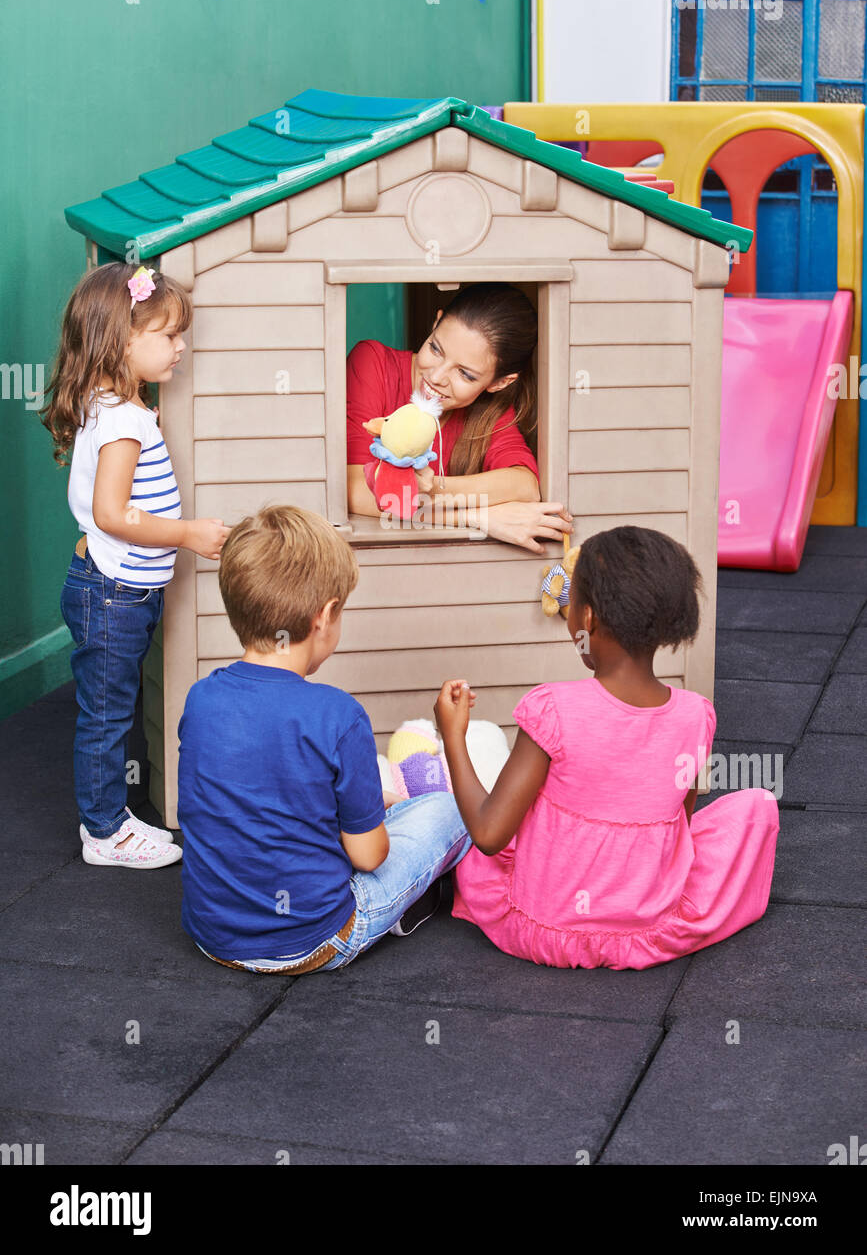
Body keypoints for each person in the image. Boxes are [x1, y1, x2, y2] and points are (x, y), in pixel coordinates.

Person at [434, 526, 780, 970]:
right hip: (646, 934)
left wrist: (453, 738)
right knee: (756, 807)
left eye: (571, 602)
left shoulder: (552, 708)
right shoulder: (697, 715)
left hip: (544, 928)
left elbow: (487, 833)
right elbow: (681, 822)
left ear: (589, 620)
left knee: (462, 824)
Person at [177, 504, 471, 975]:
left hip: (212, 937)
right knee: (449, 810)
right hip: (316, 939)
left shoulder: (201, 699)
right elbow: (369, 856)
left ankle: (382, 803)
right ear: (325, 616)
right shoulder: (338, 715)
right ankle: (410, 901)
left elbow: (246, 791)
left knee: (359, 794)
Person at [41, 262, 230, 867]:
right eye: (169, 336)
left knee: (114, 706)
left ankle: (113, 817)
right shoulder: (122, 421)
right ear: (123, 342)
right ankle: (103, 831)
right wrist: (189, 535)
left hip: (124, 592)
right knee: (106, 715)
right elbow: (113, 514)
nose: (180, 348)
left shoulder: (122, 407)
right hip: (111, 595)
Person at [346, 282, 573, 553]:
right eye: (435, 349)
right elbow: (356, 493)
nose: (436, 377)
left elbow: (524, 486)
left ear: (500, 383)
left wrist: (426, 490)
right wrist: (478, 518)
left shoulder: (490, 411)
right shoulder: (373, 363)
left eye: (465, 374)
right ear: (436, 321)